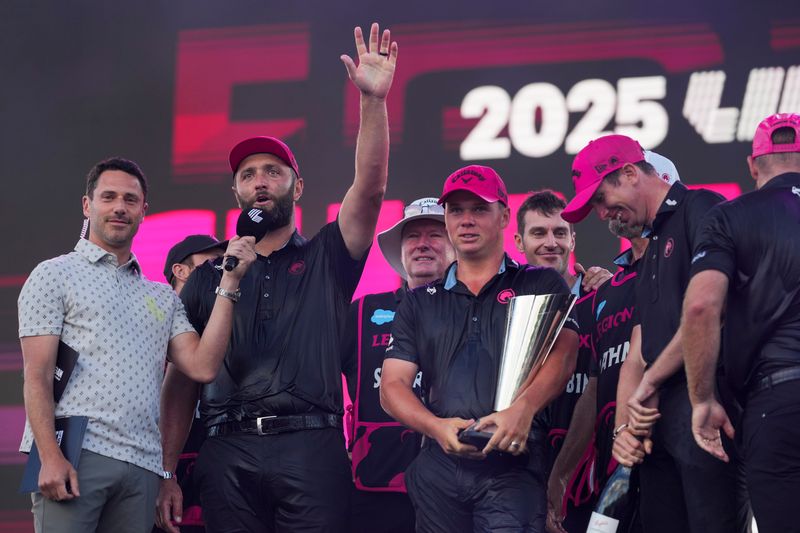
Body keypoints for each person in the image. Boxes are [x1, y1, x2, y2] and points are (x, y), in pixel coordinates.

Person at [158, 22, 398, 533]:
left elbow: (371, 189)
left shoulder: (328, 256)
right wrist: (166, 470)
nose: (260, 181)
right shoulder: (205, 278)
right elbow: (180, 382)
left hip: (311, 448)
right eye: (248, 175)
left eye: (272, 171)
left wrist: (373, 102)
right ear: (237, 194)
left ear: (298, 185)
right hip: (226, 451)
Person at [17, 157, 254, 533]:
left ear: (144, 210)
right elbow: (37, 374)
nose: (119, 208)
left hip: (141, 466)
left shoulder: (161, 297)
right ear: (87, 205)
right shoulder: (54, 274)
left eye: (130, 200)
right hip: (75, 454)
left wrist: (229, 285)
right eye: (108, 197)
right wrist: (48, 455)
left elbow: (202, 366)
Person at [561, 135, 748, 533]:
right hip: (659, 422)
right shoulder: (647, 253)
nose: (602, 213)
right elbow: (638, 350)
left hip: (708, 400)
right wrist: (624, 431)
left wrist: (649, 385)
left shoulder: (704, 208)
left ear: (630, 173)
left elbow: (708, 312)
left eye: (601, 198)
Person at [381, 164, 580, 532]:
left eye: (479, 208)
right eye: (456, 210)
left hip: (513, 463)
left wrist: (523, 409)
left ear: (504, 216)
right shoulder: (420, 301)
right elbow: (392, 386)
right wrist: (435, 427)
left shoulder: (537, 281)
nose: (466, 220)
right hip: (439, 463)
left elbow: (566, 353)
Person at [545, 151, 680, 533]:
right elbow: (594, 388)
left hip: (677, 457)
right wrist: (560, 474)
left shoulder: (687, 268)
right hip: (613, 472)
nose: (604, 212)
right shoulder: (606, 289)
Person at [683, 113, 800, 533]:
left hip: (779, 402)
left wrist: (702, 399)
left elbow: (700, 308)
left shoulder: (730, 216)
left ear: (753, 164)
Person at [341, 197, 455, 533]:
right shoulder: (362, 312)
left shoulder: (477, 307)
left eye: (434, 234)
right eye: (411, 236)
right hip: (376, 487)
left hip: (457, 485)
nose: (422, 244)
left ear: (454, 244)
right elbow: (317, 382)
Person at [513, 190, 611, 532]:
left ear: (573, 238)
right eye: (538, 233)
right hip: (518, 473)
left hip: (590, 477)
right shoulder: (502, 304)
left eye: (559, 232)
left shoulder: (602, 296)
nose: (550, 242)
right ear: (519, 242)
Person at [154, 235, 226, 533]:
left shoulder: (226, 324)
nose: (218, 269)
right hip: (158, 470)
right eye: (210, 262)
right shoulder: (151, 321)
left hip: (217, 469)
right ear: (180, 271)